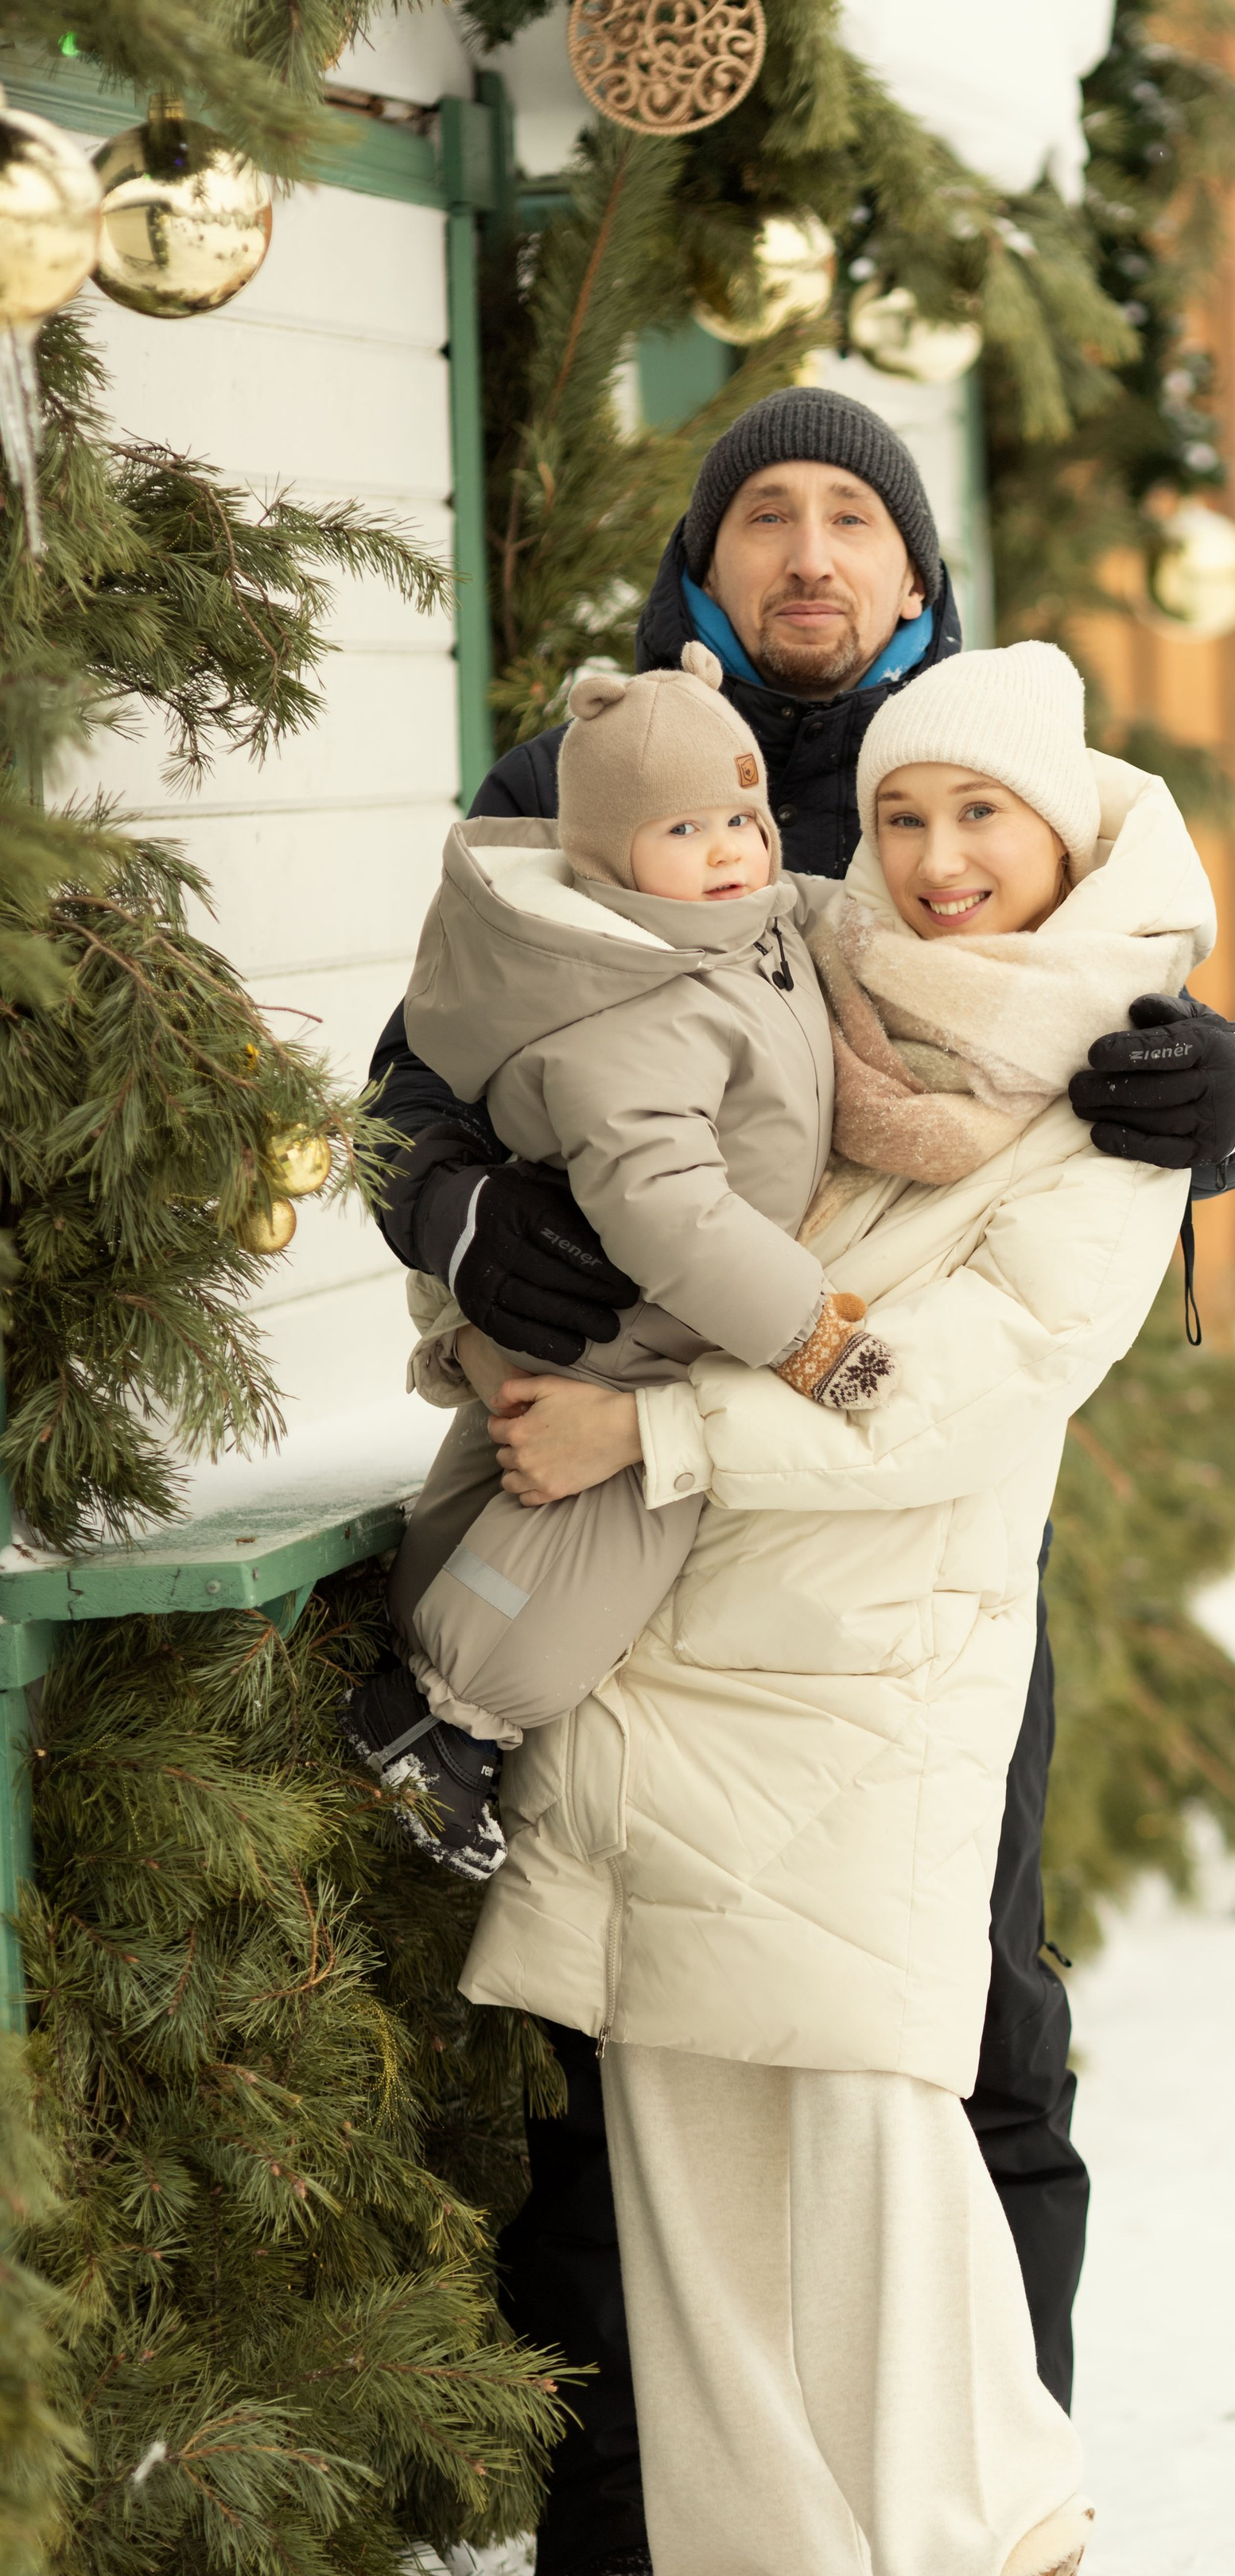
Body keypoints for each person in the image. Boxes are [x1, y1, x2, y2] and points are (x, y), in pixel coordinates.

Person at [363, 386, 1235, 2576]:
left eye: (850, 514)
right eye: (759, 510)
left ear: (916, 577)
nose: (805, 547)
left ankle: (997, 2536)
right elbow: (434, 1071)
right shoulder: (583, 780)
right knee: (637, 2037)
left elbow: (1101, 1077)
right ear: (704, 564)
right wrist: (474, 1224)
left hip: (868, 1524)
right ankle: (656, 2542)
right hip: (661, 1524)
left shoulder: (993, 812)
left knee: (963, 2018)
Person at [460, 641, 1210, 2576]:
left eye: (985, 814)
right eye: (901, 815)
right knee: (686, 2153)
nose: (944, 860)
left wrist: (657, 1441)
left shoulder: (1115, 1086)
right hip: (666, 1647)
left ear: (1065, 828)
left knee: (878, 2138)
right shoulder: (800, 984)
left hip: (869, 1664)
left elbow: (960, 1396)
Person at [345, 648, 895, 1879]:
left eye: (744, 818)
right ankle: (437, 1721)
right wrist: (808, 1333)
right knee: (583, 1553)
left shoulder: (742, 932)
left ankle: (439, 1668)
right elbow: (669, 1213)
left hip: (657, 1324)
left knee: (500, 1498)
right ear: (603, 858)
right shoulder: (632, 1007)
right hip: (642, 1321)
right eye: (685, 828)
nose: (731, 850)